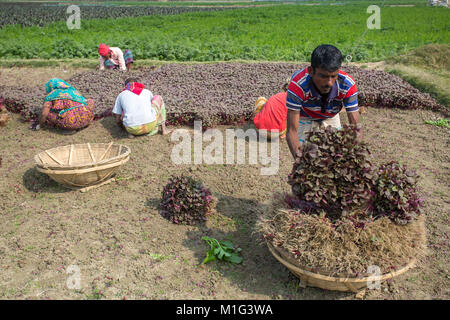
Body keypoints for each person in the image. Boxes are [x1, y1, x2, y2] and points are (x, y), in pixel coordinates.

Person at [286, 44, 362, 159]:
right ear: (311, 71)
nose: (329, 82)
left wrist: (353, 156)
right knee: (305, 155)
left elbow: (356, 127)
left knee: (335, 155)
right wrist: (300, 163)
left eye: (333, 76)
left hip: (331, 115)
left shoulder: (347, 85)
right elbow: (291, 131)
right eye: (323, 76)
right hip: (304, 116)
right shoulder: (298, 85)